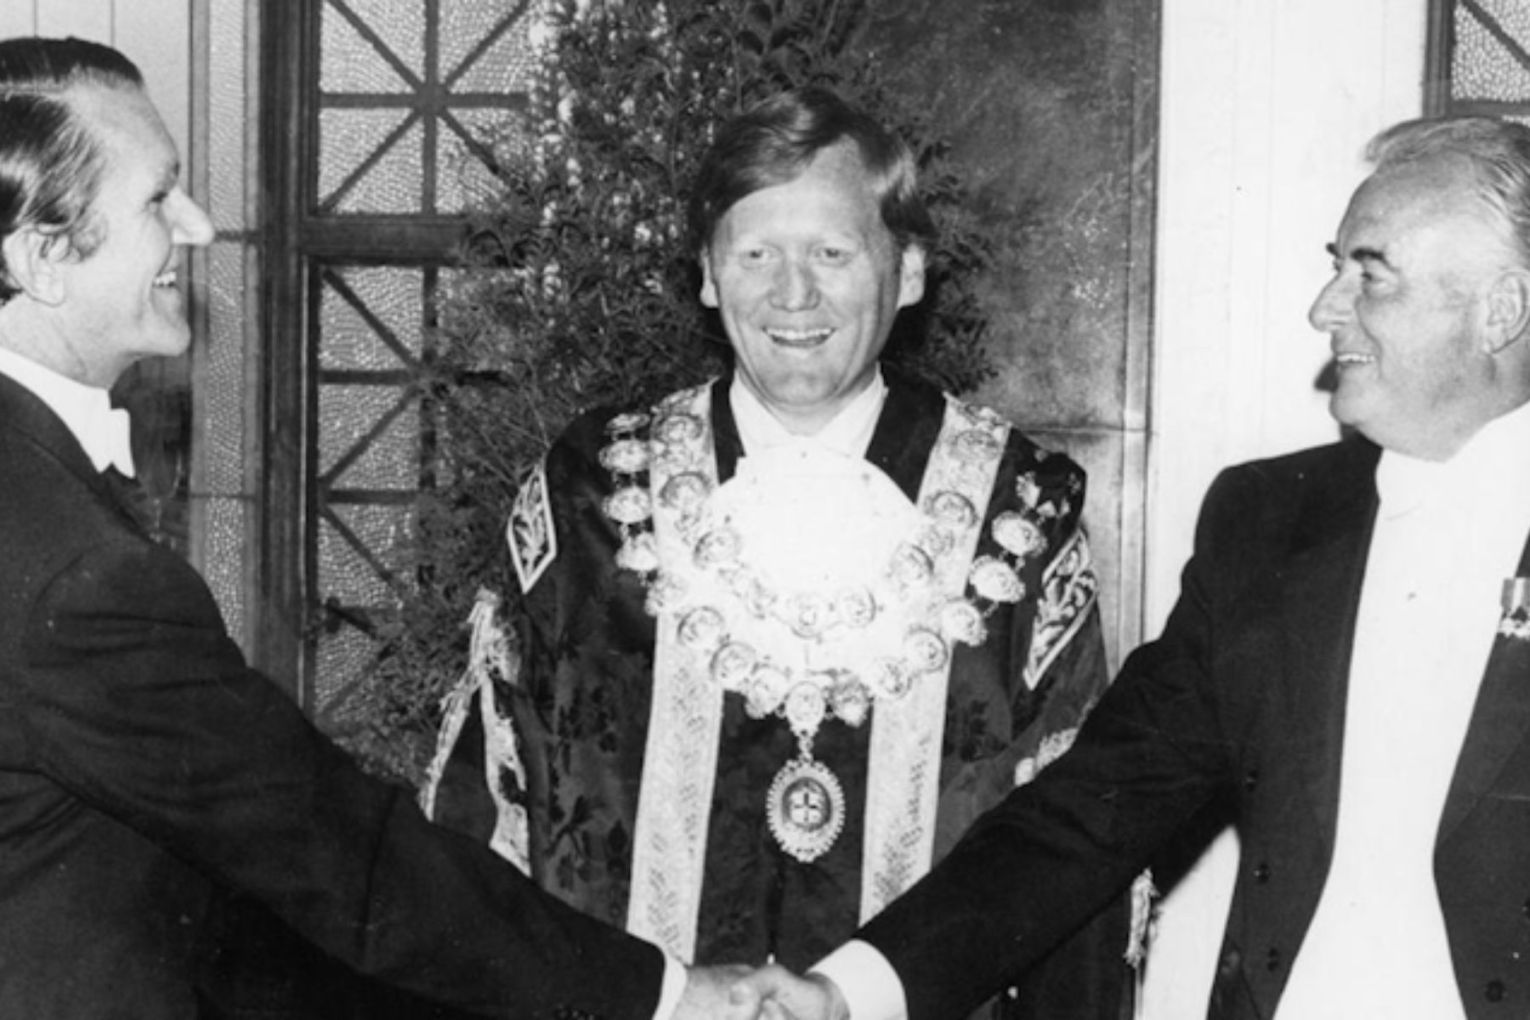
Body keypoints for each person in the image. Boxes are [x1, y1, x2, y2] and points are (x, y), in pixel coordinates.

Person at [0, 33, 750, 1020]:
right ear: (43, 255)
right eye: (157, 197)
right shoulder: (80, 572)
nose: (198, 225)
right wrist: (662, 995)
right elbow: (328, 847)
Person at [738, 113, 1530, 1020]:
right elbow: (1090, 812)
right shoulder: (1270, 524)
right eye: (1333, 264)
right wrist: (849, 991)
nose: (1324, 308)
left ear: (1500, 310)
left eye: (1370, 273)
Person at [426, 87, 1133, 1018]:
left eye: (832, 254)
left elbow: (1073, 850)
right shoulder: (585, 497)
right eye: (756, 254)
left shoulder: (1023, 512)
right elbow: (490, 818)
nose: (792, 295)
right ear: (710, 276)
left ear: (908, 270)